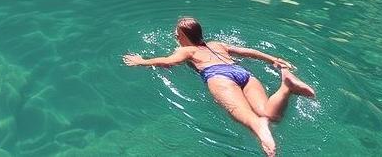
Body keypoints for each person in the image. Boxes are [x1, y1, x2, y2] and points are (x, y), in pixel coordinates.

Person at [123, 17, 315, 157]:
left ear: (182, 35)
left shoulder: (186, 50)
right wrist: (275, 60)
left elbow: (168, 62)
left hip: (218, 76)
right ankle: (286, 87)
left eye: (177, 32)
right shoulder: (216, 44)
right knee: (270, 113)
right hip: (243, 73)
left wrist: (142, 61)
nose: (174, 34)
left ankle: (260, 128)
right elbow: (247, 51)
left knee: (243, 115)